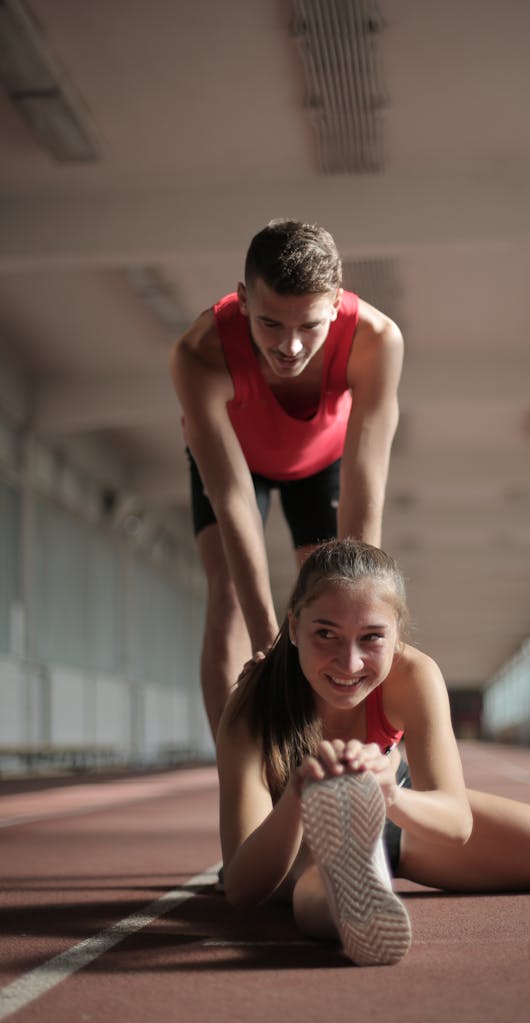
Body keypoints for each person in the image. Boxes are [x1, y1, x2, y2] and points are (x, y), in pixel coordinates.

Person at [216, 539, 530, 967]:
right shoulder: (253, 706)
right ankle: (357, 895)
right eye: (325, 633)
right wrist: (297, 792)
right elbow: (242, 886)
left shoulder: (413, 675)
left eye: (371, 638)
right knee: (317, 894)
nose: (349, 663)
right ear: (293, 627)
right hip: (299, 838)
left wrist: (390, 794)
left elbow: (455, 821)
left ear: (396, 635)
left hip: (401, 810)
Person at [170, 219, 403, 740]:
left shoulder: (378, 340)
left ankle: (336, 740)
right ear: (243, 301)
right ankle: (239, 759)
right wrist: (268, 651)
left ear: (338, 303)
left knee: (329, 592)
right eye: (271, 324)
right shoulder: (198, 353)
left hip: (321, 463)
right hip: (236, 462)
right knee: (227, 594)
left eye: (310, 326)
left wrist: (360, 614)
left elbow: (366, 487)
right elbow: (233, 502)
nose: (291, 347)